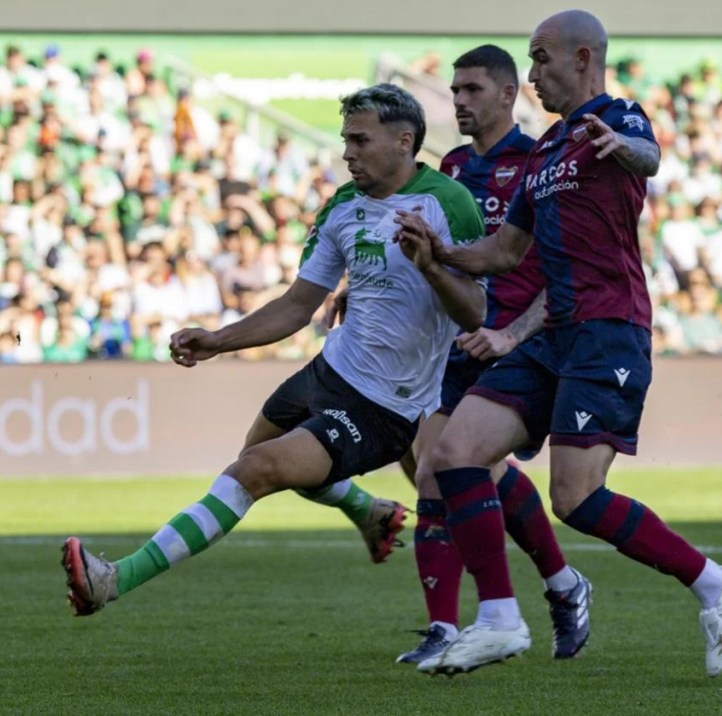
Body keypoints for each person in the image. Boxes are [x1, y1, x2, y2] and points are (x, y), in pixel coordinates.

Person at [394, 10, 722, 678]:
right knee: (451, 454)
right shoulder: (545, 150)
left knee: (575, 499)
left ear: (582, 57)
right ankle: (499, 618)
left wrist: (623, 146)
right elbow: (507, 250)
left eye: (539, 60)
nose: (531, 76)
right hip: (550, 333)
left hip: (608, 331)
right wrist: (443, 252)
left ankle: (714, 581)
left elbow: (650, 156)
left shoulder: (617, 117)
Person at [60, 84, 488, 620]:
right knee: (249, 462)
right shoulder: (342, 209)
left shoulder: (448, 203)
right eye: (344, 140)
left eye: (359, 140)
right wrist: (219, 340)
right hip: (328, 372)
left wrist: (429, 265)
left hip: (387, 407)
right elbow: (295, 306)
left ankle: (114, 579)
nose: (346, 153)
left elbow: (475, 311)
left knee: (255, 471)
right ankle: (369, 510)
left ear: (405, 141)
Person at [318, 46, 592, 667]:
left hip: (517, 343)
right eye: (455, 90)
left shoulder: (540, 161)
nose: (459, 101)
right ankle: (466, 620)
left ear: (507, 94)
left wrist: (515, 332)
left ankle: (541, 593)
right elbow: (424, 252)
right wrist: (350, 288)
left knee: (451, 466)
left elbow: (563, 260)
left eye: (471, 90)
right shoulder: (452, 166)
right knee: (436, 471)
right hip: (456, 340)